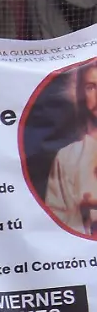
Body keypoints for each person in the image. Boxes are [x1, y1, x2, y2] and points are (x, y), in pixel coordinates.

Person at [43, 61, 97, 236]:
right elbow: (55, 219)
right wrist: (81, 208)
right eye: (91, 87)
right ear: (81, 93)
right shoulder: (67, 157)